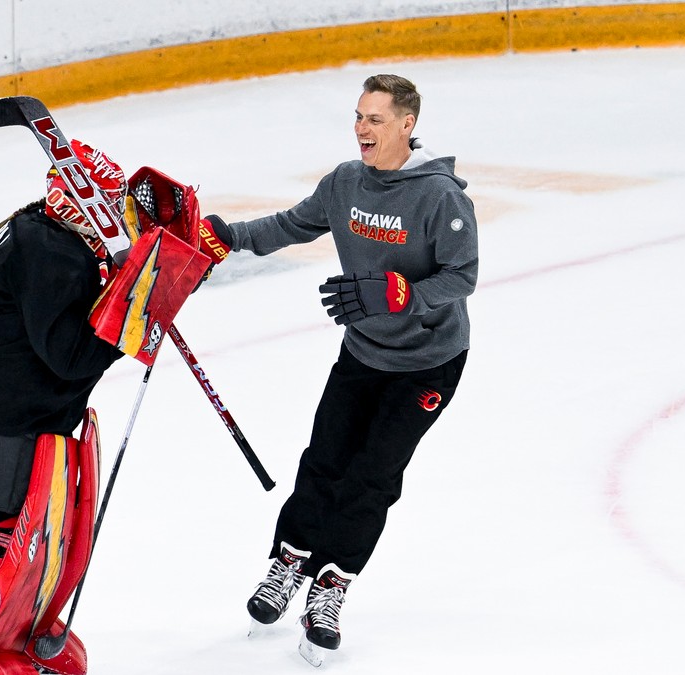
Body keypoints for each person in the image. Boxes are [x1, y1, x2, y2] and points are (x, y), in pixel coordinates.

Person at [198, 73, 478, 661]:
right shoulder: (346, 182)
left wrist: (403, 294)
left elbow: (462, 276)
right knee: (324, 459)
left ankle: (331, 584)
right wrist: (226, 236)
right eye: (357, 116)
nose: (361, 129)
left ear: (407, 124)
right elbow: (290, 224)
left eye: (375, 119)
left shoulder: (440, 197)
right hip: (364, 353)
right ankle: (289, 562)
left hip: (428, 364)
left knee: (372, 476)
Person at [0, 140, 127, 675]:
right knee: (1, 534)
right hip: (2, 417)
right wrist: (132, 326)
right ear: (80, 203)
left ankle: (4, 637)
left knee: (28, 538)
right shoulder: (51, 253)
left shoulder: (45, 232)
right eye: (108, 203)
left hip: (7, 407)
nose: (116, 216)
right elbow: (70, 356)